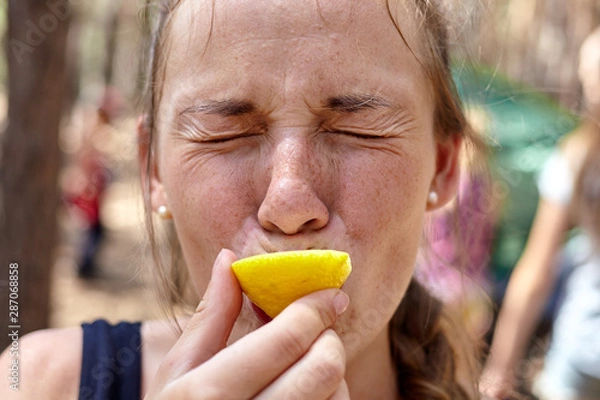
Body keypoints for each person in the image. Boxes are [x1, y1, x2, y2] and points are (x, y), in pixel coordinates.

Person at [1, 0, 485, 398]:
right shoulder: (35, 383)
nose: (289, 204)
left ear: (442, 167)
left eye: (356, 130)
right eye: (223, 135)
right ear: (153, 168)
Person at [481, 28, 600, 400]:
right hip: (581, 357)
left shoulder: (579, 156)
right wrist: (500, 370)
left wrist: (500, 370)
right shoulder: (577, 158)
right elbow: (536, 271)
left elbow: (537, 272)